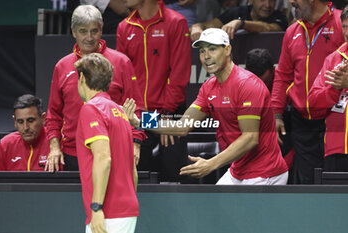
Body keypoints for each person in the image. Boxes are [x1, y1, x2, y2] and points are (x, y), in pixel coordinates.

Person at [124, 28, 288, 185]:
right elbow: (182, 125)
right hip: (238, 170)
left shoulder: (247, 85)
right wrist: (140, 121)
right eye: (202, 51)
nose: (206, 56)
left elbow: (250, 138)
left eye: (212, 49)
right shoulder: (209, 87)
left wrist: (211, 164)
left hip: (266, 172)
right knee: (214, 211)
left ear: (228, 49)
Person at [45, 5, 145, 172]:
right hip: (72, 154)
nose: (89, 37)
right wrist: (54, 147)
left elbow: (139, 109)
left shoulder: (122, 62)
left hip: (114, 151)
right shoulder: (61, 66)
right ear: (73, 31)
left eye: (94, 31)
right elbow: (53, 114)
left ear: (101, 29)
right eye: (83, 31)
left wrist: (136, 143)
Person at [117, 0, 191, 182]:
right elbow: (123, 78)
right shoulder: (124, 27)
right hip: (139, 115)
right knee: (138, 177)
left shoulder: (176, 22)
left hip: (169, 112)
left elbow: (179, 74)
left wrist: (167, 112)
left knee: (176, 177)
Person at [271, 0, 344, 184]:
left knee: (334, 183)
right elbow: (282, 75)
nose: (291, 2)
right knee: (307, 183)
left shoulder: (341, 23)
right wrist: (276, 113)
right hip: (301, 121)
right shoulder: (292, 31)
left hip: (334, 118)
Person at [75, 53, 138, 233]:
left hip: (108, 212)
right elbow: (132, 167)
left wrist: (96, 207)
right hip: (126, 208)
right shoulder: (120, 112)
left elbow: (103, 158)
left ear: (81, 78)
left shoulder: (91, 108)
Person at [308, 6, 348, 172]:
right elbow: (313, 104)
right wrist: (334, 89)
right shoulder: (333, 60)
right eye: (345, 27)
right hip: (336, 150)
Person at [190, 0, 288, 41]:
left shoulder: (280, 17)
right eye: (262, 0)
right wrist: (196, 28)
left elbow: (270, 28)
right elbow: (208, 25)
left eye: (272, 0)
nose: (267, 5)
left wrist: (241, 23)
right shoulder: (235, 12)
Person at [0, 94, 50, 171]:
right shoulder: (5, 145)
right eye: (20, 122)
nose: (26, 127)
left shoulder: (57, 142)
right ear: (15, 121)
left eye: (30, 120)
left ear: (43, 118)